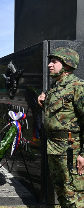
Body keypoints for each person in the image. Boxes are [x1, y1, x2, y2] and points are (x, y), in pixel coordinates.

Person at [38, 47, 84, 207]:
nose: (49, 65)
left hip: (71, 149)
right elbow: (60, 117)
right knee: (61, 190)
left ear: (67, 64)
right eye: (50, 61)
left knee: (74, 195)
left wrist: (83, 154)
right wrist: (43, 104)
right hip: (54, 147)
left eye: (54, 61)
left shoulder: (78, 87)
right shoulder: (54, 88)